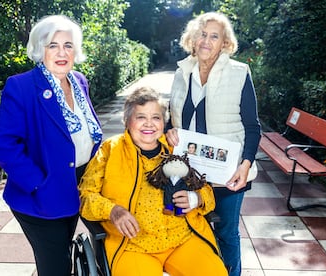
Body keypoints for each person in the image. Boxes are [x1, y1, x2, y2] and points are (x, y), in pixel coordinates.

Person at [0, 15, 102, 276]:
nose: (61, 52)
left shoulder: (79, 81)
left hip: (75, 186)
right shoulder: (22, 86)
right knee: (55, 268)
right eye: (53, 45)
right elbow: (6, 144)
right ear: (39, 49)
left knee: (63, 254)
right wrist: (38, 183)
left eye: (68, 45)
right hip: (41, 195)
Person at [79, 87, 227, 276]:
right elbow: (86, 196)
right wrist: (113, 211)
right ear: (127, 121)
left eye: (156, 117)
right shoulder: (110, 150)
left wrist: (197, 198)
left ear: (163, 122)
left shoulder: (176, 148)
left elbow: (207, 190)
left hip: (184, 239)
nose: (149, 124)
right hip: (133, 244)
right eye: (141, 117)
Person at [165, 12, 261, 276]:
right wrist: (169, 131)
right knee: (191, 233)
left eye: (214, 36)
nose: (206, 41)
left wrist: (246, 164)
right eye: (202, 35)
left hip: (227, 175)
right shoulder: (182, 72)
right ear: (193, 40)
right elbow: (171, 120)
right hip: (189, 173)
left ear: (224, 43)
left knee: (227, 232)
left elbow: (253, 127)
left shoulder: (240, 73)